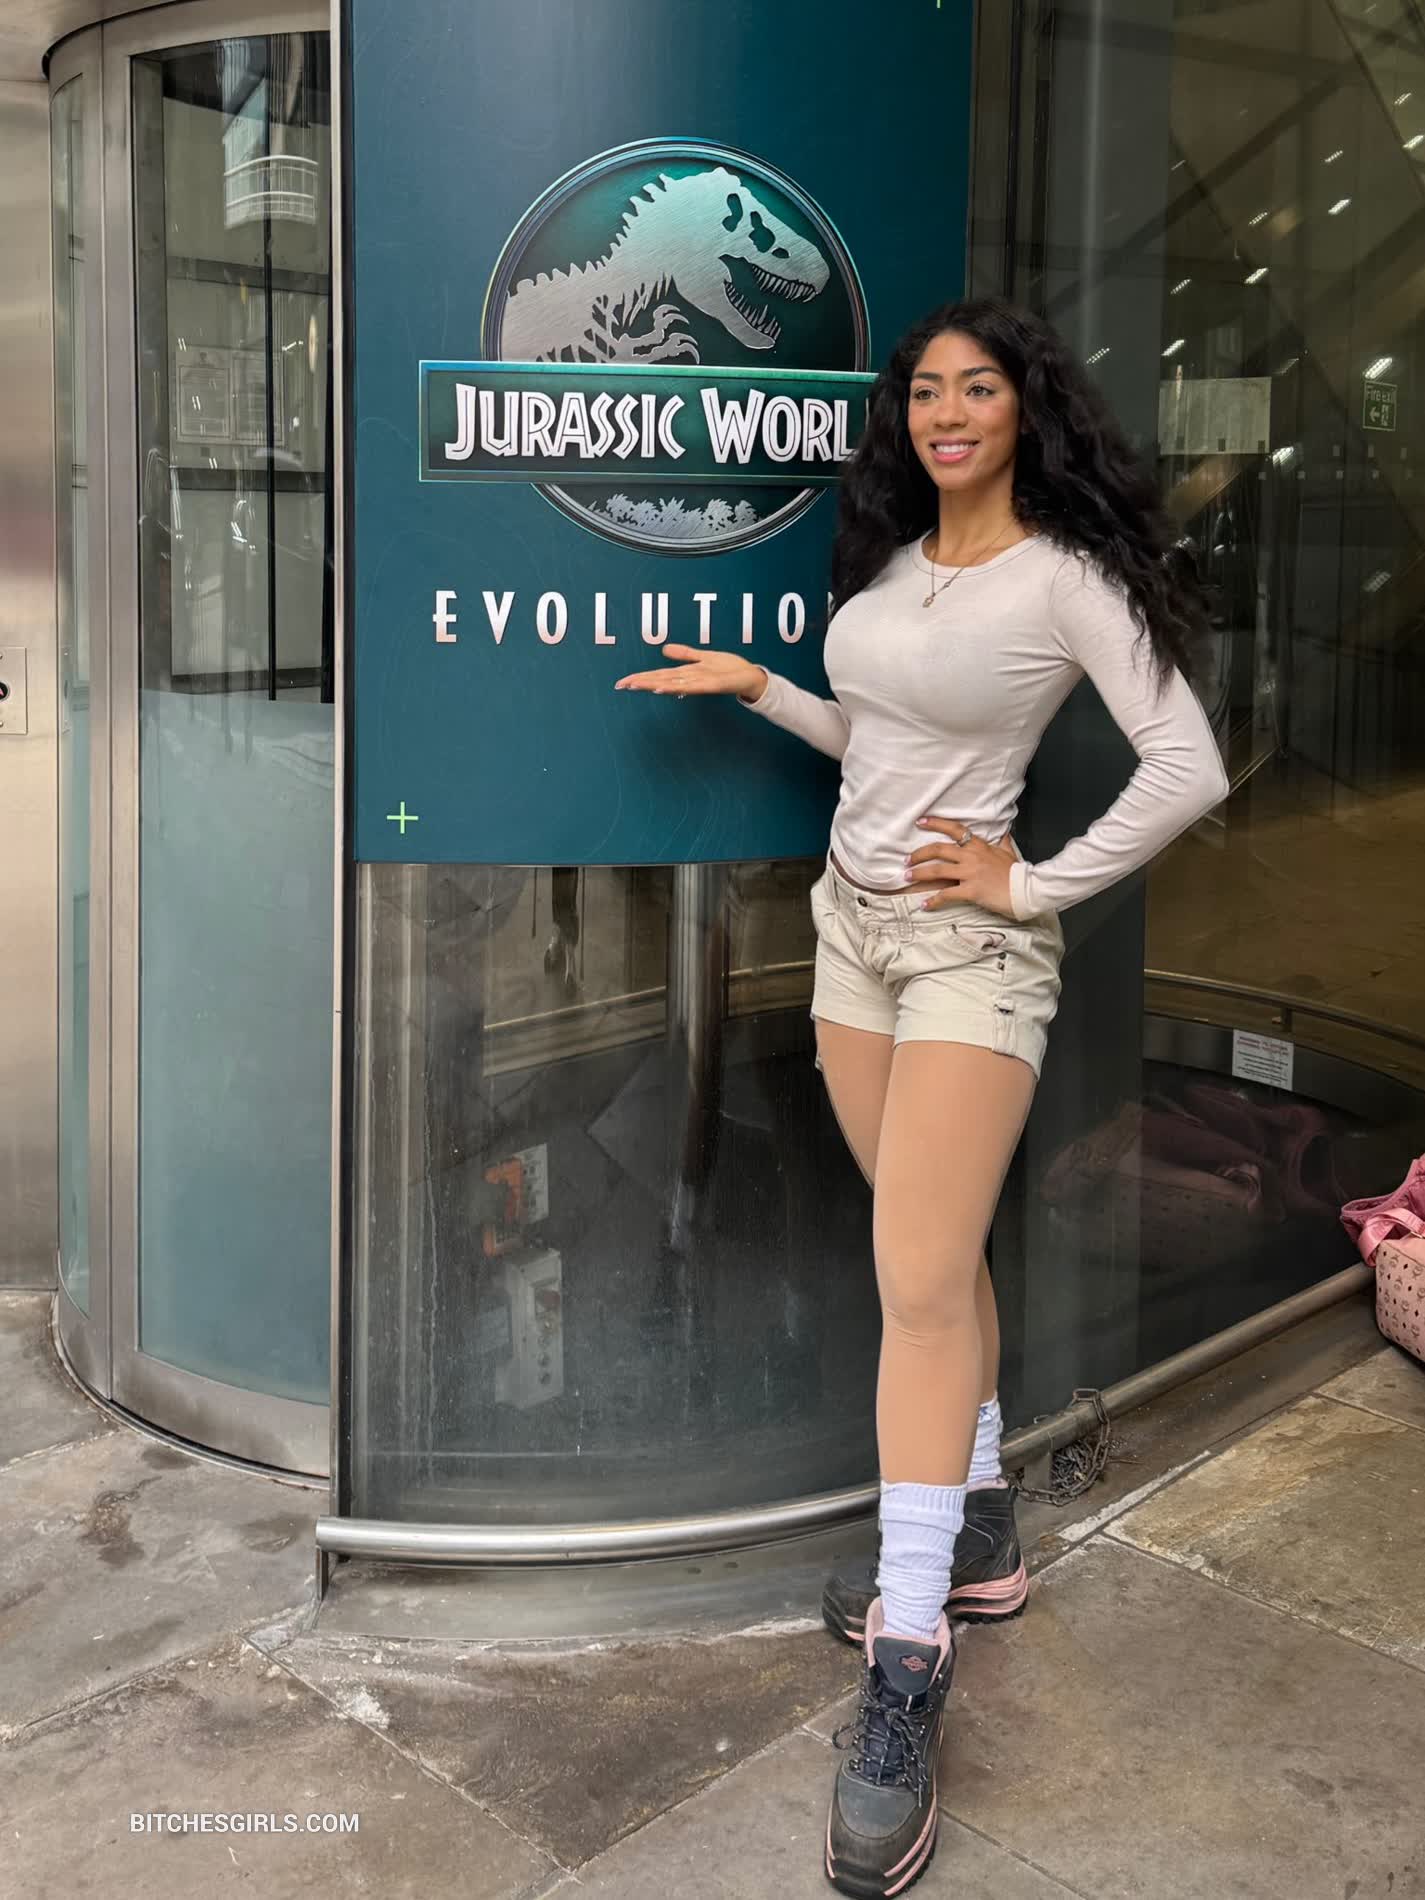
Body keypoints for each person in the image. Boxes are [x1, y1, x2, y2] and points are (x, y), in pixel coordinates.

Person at [614, 297, 1229, 1897]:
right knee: (931, 1259)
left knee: (911, 1283)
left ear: (1027, 412)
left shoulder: (1064, 576)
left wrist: (1032, 885)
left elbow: (1187, 765)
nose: (946, 412)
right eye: (925, 392)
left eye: (978, 389)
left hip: (968, 956)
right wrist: (765, 693)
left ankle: (906, 1651)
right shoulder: (893, 566)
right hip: (851, 941)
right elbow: (879, 741)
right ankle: (981, 1532)